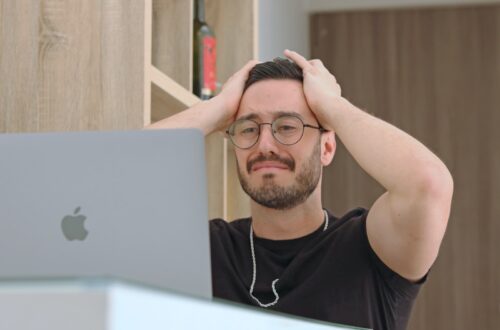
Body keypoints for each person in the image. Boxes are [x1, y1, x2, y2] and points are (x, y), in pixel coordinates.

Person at [148, 50, 454, 330]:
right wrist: (217, 108)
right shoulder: (207, 252)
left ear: (327, 147)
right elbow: (106, 189)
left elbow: (428, 184)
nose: (264, 145)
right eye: (249, 129)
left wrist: (332, 105)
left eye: (287, 126)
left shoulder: (371, 251)